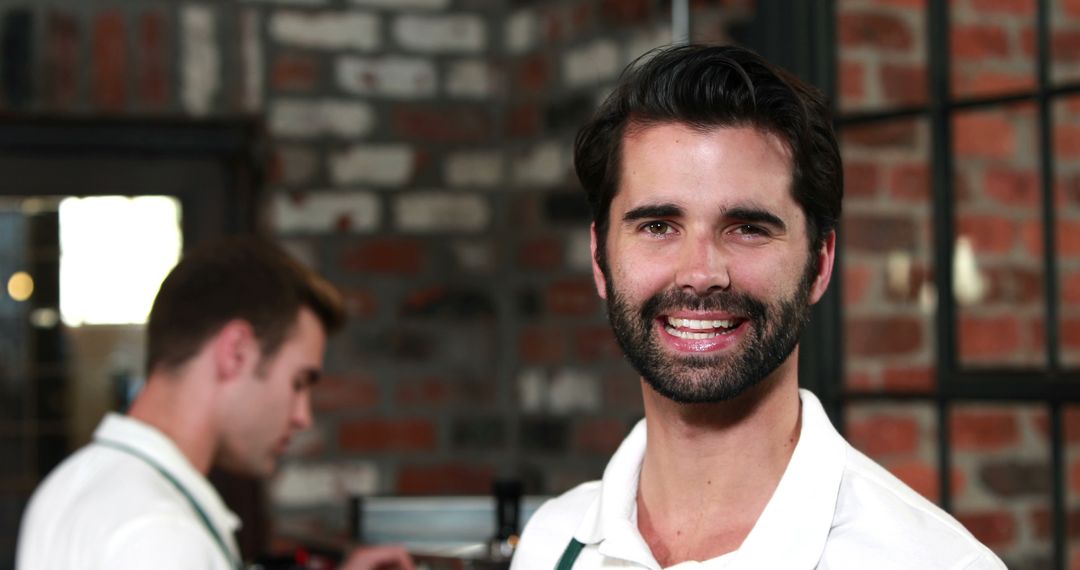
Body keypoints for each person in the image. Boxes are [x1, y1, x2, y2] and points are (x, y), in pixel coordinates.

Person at [511, 45, 1005, 570]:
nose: (700, 273)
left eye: (748, 228)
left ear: (819, 263)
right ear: (599, 257)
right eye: (658, 226)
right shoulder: (551, 541)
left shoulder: (934, 563)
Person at [16, 236, 413, 570]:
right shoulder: (160, 536)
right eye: (298, 383)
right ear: (236, 352)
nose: (303, 417)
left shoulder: (70, 485)